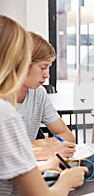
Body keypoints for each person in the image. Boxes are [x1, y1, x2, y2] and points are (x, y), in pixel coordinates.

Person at [0, 14, 88, 196]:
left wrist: (42, 157)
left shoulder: (34, 96)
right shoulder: (5, 114)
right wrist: (67, 180)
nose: (47, 75)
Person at [16, 31, 76, 160]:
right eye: (43, 67)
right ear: (22, 65)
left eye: (49, 68)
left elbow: (68, 136)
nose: (47, 75)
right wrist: (43, 149)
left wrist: (37, 145)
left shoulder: (38, 93)